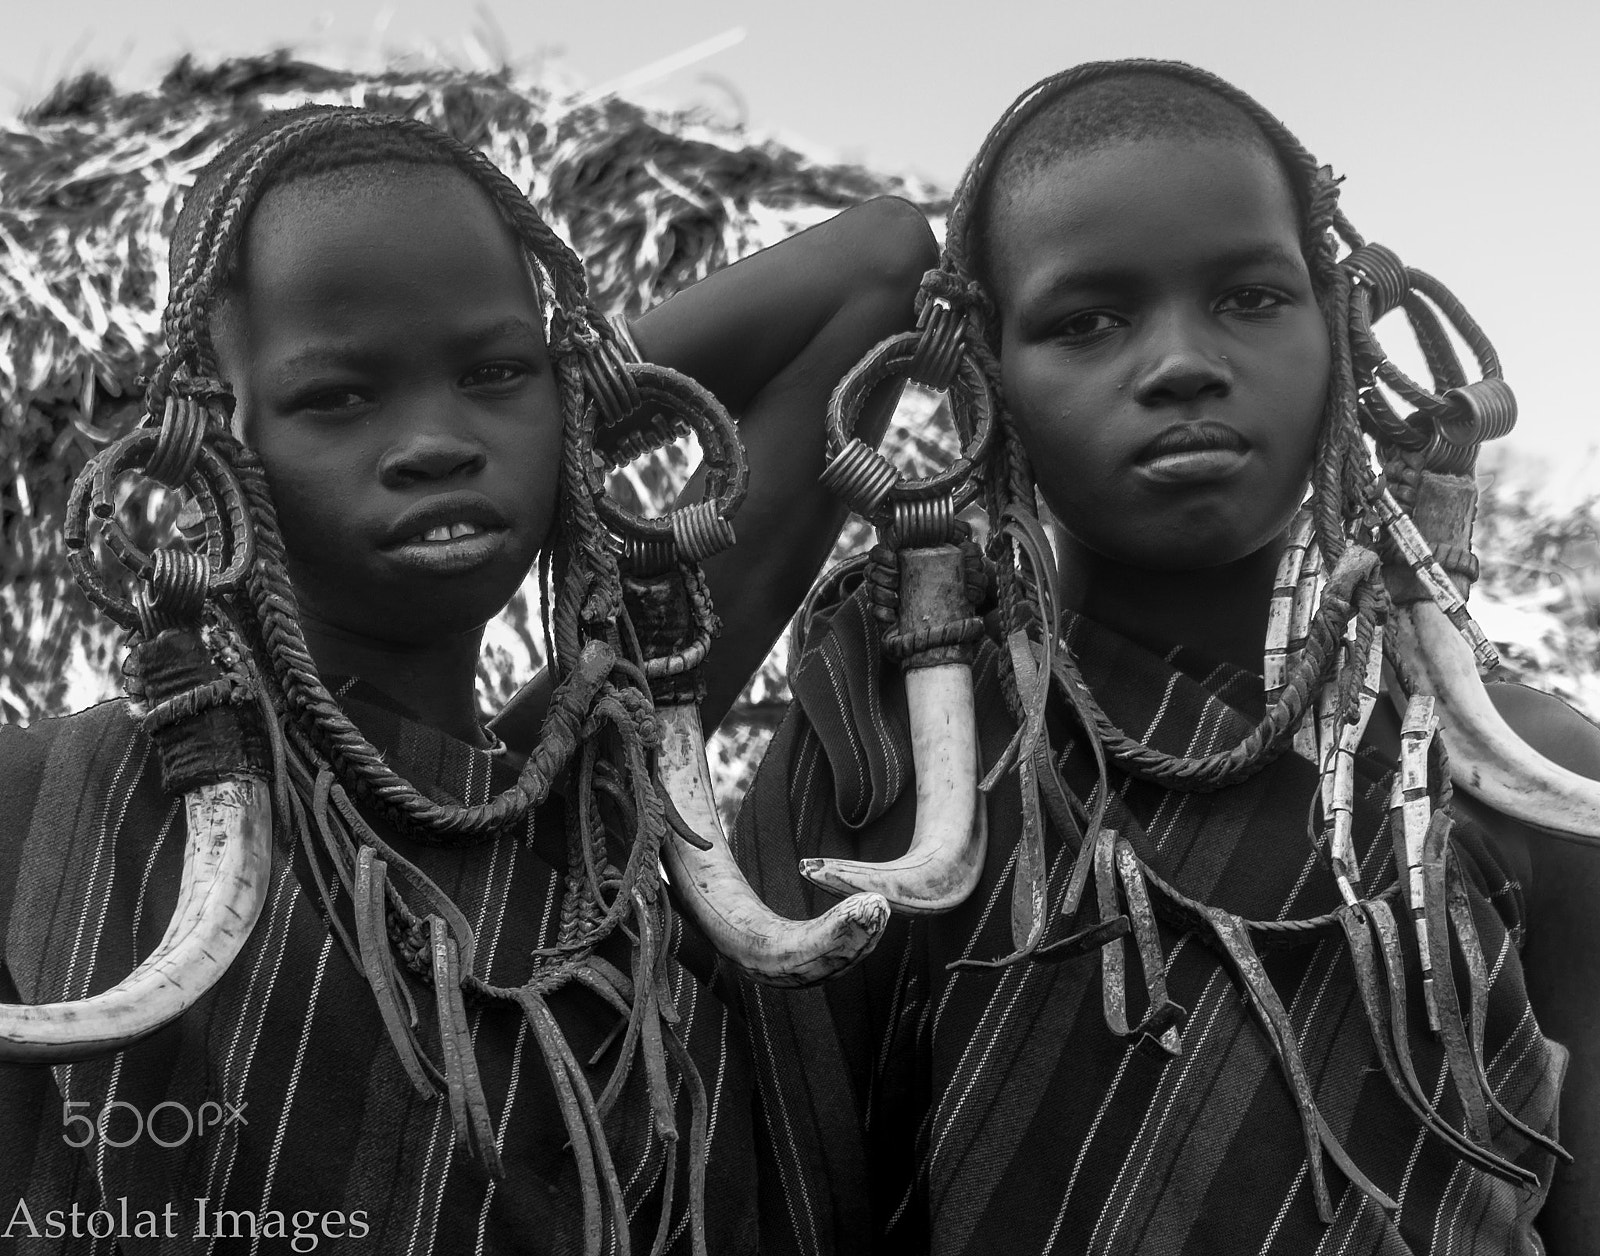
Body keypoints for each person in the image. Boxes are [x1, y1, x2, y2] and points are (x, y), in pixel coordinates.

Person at [0, 105, 935, 1254]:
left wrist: (563, 385)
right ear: (208, 439)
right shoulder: (50, 807)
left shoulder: (588, 802)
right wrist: (505, 387)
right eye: (336, 396)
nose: (437, 440)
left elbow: (881, 261)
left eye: (494, 373)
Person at [733, 61, 1600, 1255]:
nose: (1182, 362)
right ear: (984, 371)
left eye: (1250, 297)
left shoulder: (1535, 783)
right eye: (1084, 320)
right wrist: (886, 256)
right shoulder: (892, 754)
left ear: (1342, 329)